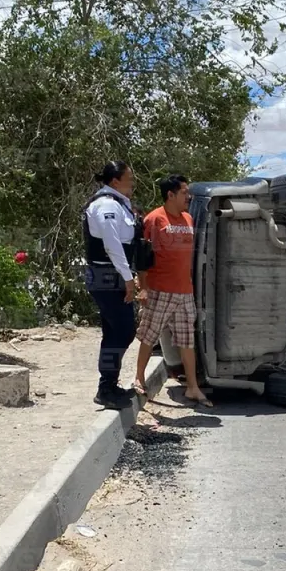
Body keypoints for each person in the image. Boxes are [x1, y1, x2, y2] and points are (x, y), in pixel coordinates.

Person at [134, 175, 212, 407]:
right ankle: (138, 378)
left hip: (184, 291)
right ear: (170, 195)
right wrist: (144, 288)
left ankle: (192, 388)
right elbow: (142, 256)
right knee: (149, 335)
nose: (188, 196)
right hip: (159, 289)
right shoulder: (154, 219)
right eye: (184, 192)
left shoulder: (188, 218)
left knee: (187, 340)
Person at [82, 161, 144, 410]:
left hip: (114, 275)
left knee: (114, 332)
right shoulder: (106, 205)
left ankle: (109, 385)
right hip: (107, 276)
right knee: (123, 331)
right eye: (129, 178)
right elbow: (112, 245)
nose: (132, 182)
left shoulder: (120, 205)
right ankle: (105, 387)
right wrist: (128, 278)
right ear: (115, 181)